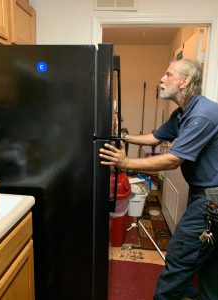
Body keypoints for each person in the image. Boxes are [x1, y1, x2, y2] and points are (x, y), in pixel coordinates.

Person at [99, 59, 218, 300]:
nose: (161, 79)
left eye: (168, 74)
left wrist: (125, 163)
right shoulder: (183, 112)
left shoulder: (203, 115)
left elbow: (173, 160)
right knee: (209, 262)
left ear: (183, 82)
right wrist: (120, 134)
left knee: (180, 256)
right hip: (204, 194)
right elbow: (155, 137)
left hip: (211, 199)